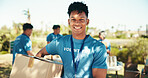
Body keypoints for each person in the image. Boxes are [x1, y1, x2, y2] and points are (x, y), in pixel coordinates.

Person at [36, 2, 107, 78]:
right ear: (69, 21)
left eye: (81, 20)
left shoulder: (98, 47)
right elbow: (39, 54)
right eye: (73, 19)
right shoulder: (60, 42)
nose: (77, 23)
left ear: (87, 22)